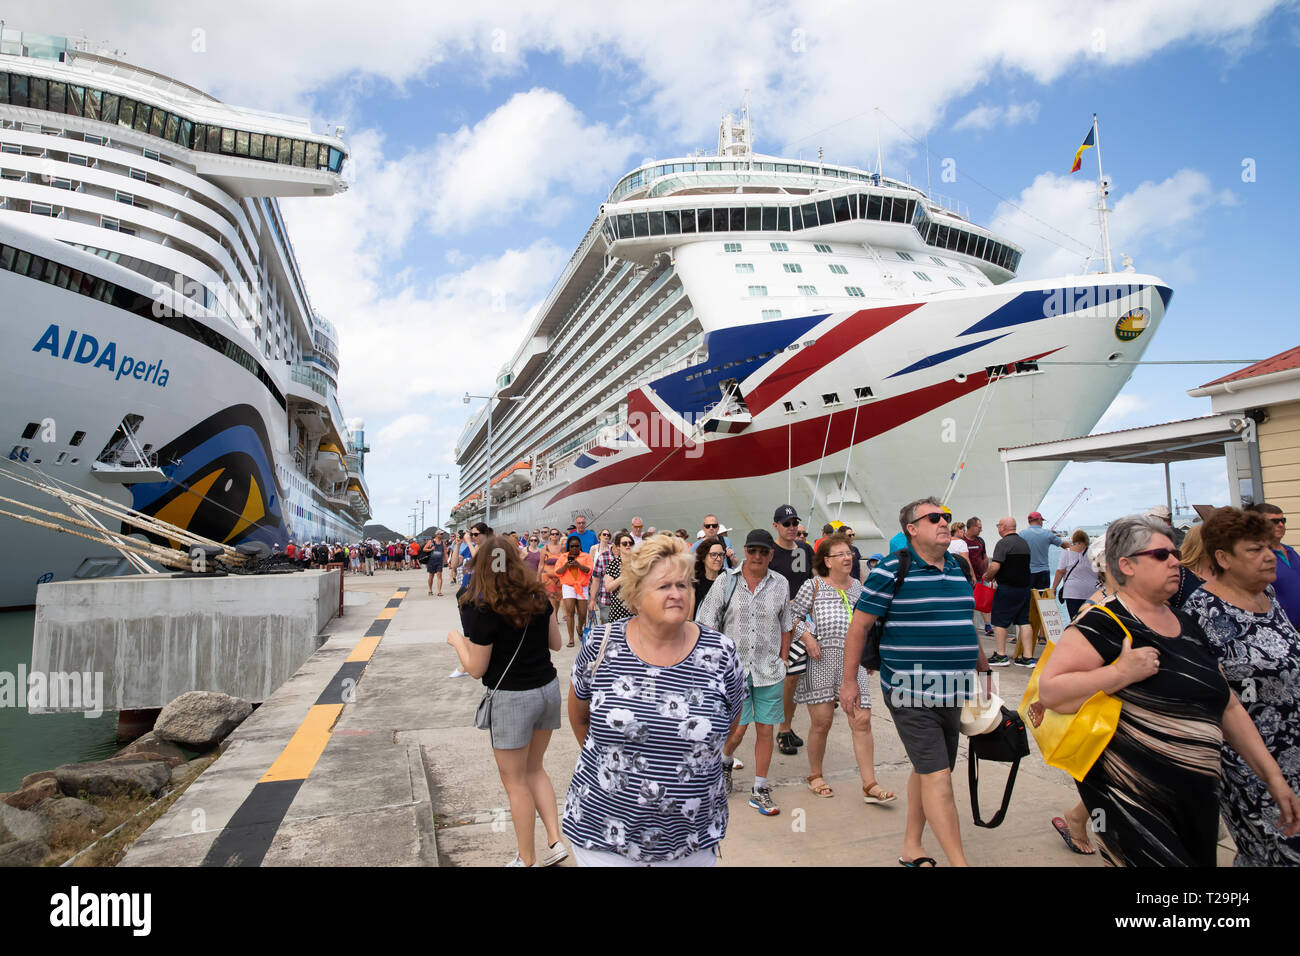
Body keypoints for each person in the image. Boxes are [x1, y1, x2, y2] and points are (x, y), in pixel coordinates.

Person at [1038, 514, 1300, 867]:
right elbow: (1051, 690)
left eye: (1175, 553)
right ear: (1126, 565)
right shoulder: (1103, 621)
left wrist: (1272, 777)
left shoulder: (1188, 623)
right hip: (1135, 796)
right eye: (1161, 556)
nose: (1175, 562)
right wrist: (1119, 672)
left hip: (1197, 795)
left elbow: (1228, 705)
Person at [563, 535, 747, 865]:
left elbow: (730, 722)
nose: (677, 594)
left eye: (684, 585)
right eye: (664, 587)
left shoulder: (721, 652)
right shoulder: (602, 646)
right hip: (605, 834)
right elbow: (579, 718)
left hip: (692, 838)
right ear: (636, 596)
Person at [842, 497, 988, 867]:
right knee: (938, 777)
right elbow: (859, 626)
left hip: (954, 689)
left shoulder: (956, 567)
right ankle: (961, 863)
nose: (944, 523)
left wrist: (985, 673)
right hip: (909, 689)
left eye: (947, 517)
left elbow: (963, 624)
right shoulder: (890, 570)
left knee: (929, 770)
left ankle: (911, 847)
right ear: (912, 528)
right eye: (934, 518)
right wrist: (849, 681)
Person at [1183, 507, 1300, 866]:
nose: (1269, 555)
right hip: (1250, 763)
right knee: (1275, 853)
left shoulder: (1268, 598)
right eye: (1254, 549)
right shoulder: (1203, 612)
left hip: (1293, 751)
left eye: (1268, 546)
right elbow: (1221, 702)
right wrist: (1271, 775)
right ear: (1223, 558)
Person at [446, 535, 566, 867]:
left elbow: (475, 668)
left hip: (513, 699)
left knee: (515, 783)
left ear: (482, 565)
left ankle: (526, 859)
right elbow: (556, 644)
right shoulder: (538, 597)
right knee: (535, 768)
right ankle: (555, 841)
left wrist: (457, 641)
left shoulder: (484, 608)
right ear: (514, 561)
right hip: (547, 691)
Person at [696, 529, 795, 816]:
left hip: (768, 670)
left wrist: (784, 659)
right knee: (736, 731)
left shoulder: (781, 583)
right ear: (745, 550)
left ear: (771, 555)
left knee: (766, 729)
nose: (757, 556)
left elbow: (785, 624)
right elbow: (706, 623)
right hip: (733, 672)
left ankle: (759, 788)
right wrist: (711, 666)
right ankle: (725, 763)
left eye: (763, 552)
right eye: (753, 550)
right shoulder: (727, 581)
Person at [792, 533, 895, 804]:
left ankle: (869, 784)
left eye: (849, 553)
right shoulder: (812, 586)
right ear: (827, 560)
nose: (848, 557)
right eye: (841, 554)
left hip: (854, 662)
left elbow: (870, 624)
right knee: (822, 722)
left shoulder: (860, 589)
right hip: (821, 661)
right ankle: (815, 774)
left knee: (861, 720)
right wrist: (807, 637)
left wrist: (871, 655)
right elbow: (790, 615)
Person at [769, 504, 814, 756]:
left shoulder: (805, 550)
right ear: (775, 525)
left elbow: (812, 580)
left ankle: (785, 726)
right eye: (786, 523)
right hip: (777, 622)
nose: (792, 527)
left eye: (794, 522)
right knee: (788, 677)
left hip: (803, 619)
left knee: (794, 678)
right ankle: (782, 728)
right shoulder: (771, 552)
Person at [983, 517, 1034, 667]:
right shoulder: (1024, 543)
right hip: (1024, 588)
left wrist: (988, 576)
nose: (998, 527)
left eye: (999, 525)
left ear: (1004, 527)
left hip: (1007, 588)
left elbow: (995, 566)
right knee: (1024, 621)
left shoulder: (1003, 543)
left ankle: (1001, 655)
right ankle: (1028, 658)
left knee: (1000, 621)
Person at [1245, 502, 1300, 626]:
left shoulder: (1291, 552)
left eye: (1283, 520)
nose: (1280, 525)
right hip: (1281, 631)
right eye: (1274, 522)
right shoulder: (1256, 557)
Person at [556, 534, 594, 647]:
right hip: (568, 586)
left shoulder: (585, 556)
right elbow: (558, 572)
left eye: (576, 546)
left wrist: (578, 564)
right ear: (569, 547)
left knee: (582, 613)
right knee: (570, 612)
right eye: (572, 546)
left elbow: (589, 570)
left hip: (582, 586)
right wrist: (566, 566)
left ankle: (579, 627)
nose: (574, 548)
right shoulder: (563, 557)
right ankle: (571, 639)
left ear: (580, 546)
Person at [1052, 529, 1097, 620]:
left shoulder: (1066, 552)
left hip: (1072, 592)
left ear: (1074, 540)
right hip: (1092, 592)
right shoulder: (1094, 553)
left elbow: (1060, 571)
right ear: (1086, 541)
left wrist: (1054, 588)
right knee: (1090, 620)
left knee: (1075, 620)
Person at [602, 531, 636, 623]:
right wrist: (622, 577)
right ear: (618, 547)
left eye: (630, 543)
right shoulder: (613, 564)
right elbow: (608, 587)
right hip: (619, 609)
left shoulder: (638, 562)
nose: (628, 545)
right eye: (624, 544)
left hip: (637, 608)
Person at [964, 517, 991, 635]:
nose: (981, 530)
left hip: (980, 577)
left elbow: (984, 556)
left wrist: (986, 572)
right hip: (968, 578)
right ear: (972, 527)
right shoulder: (962, 541)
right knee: (969, 602)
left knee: (983, 601)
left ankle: (988, 626)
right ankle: (969, 625)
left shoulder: (980, 541)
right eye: (979, 528)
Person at [589, 531, 616, 627]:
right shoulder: (595, 548)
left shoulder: (611, 549)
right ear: (599, 536)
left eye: (608, 534)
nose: (606, 536)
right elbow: (590, 562)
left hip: (606, 580)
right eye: (604, 534)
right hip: (596, 576)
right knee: (605, 619)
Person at [538, 529, 566, 620]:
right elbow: (541, 564)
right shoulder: (544, 548)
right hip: (547, 577)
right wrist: (538, 577)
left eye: (556, 534)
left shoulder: (562, 548)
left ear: (559, 536)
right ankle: (554, 618)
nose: (554, 535)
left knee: (559, 598)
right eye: (552, 534)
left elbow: (565, 562)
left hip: (559, 576)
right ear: (549, 536)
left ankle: (555, 616)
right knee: (552, 598)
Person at [693, 536, 727, 610]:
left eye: (721, 555)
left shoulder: (728, 581)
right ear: (703, 557)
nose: (718, 559)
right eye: (713, 555)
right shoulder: (694, 583)